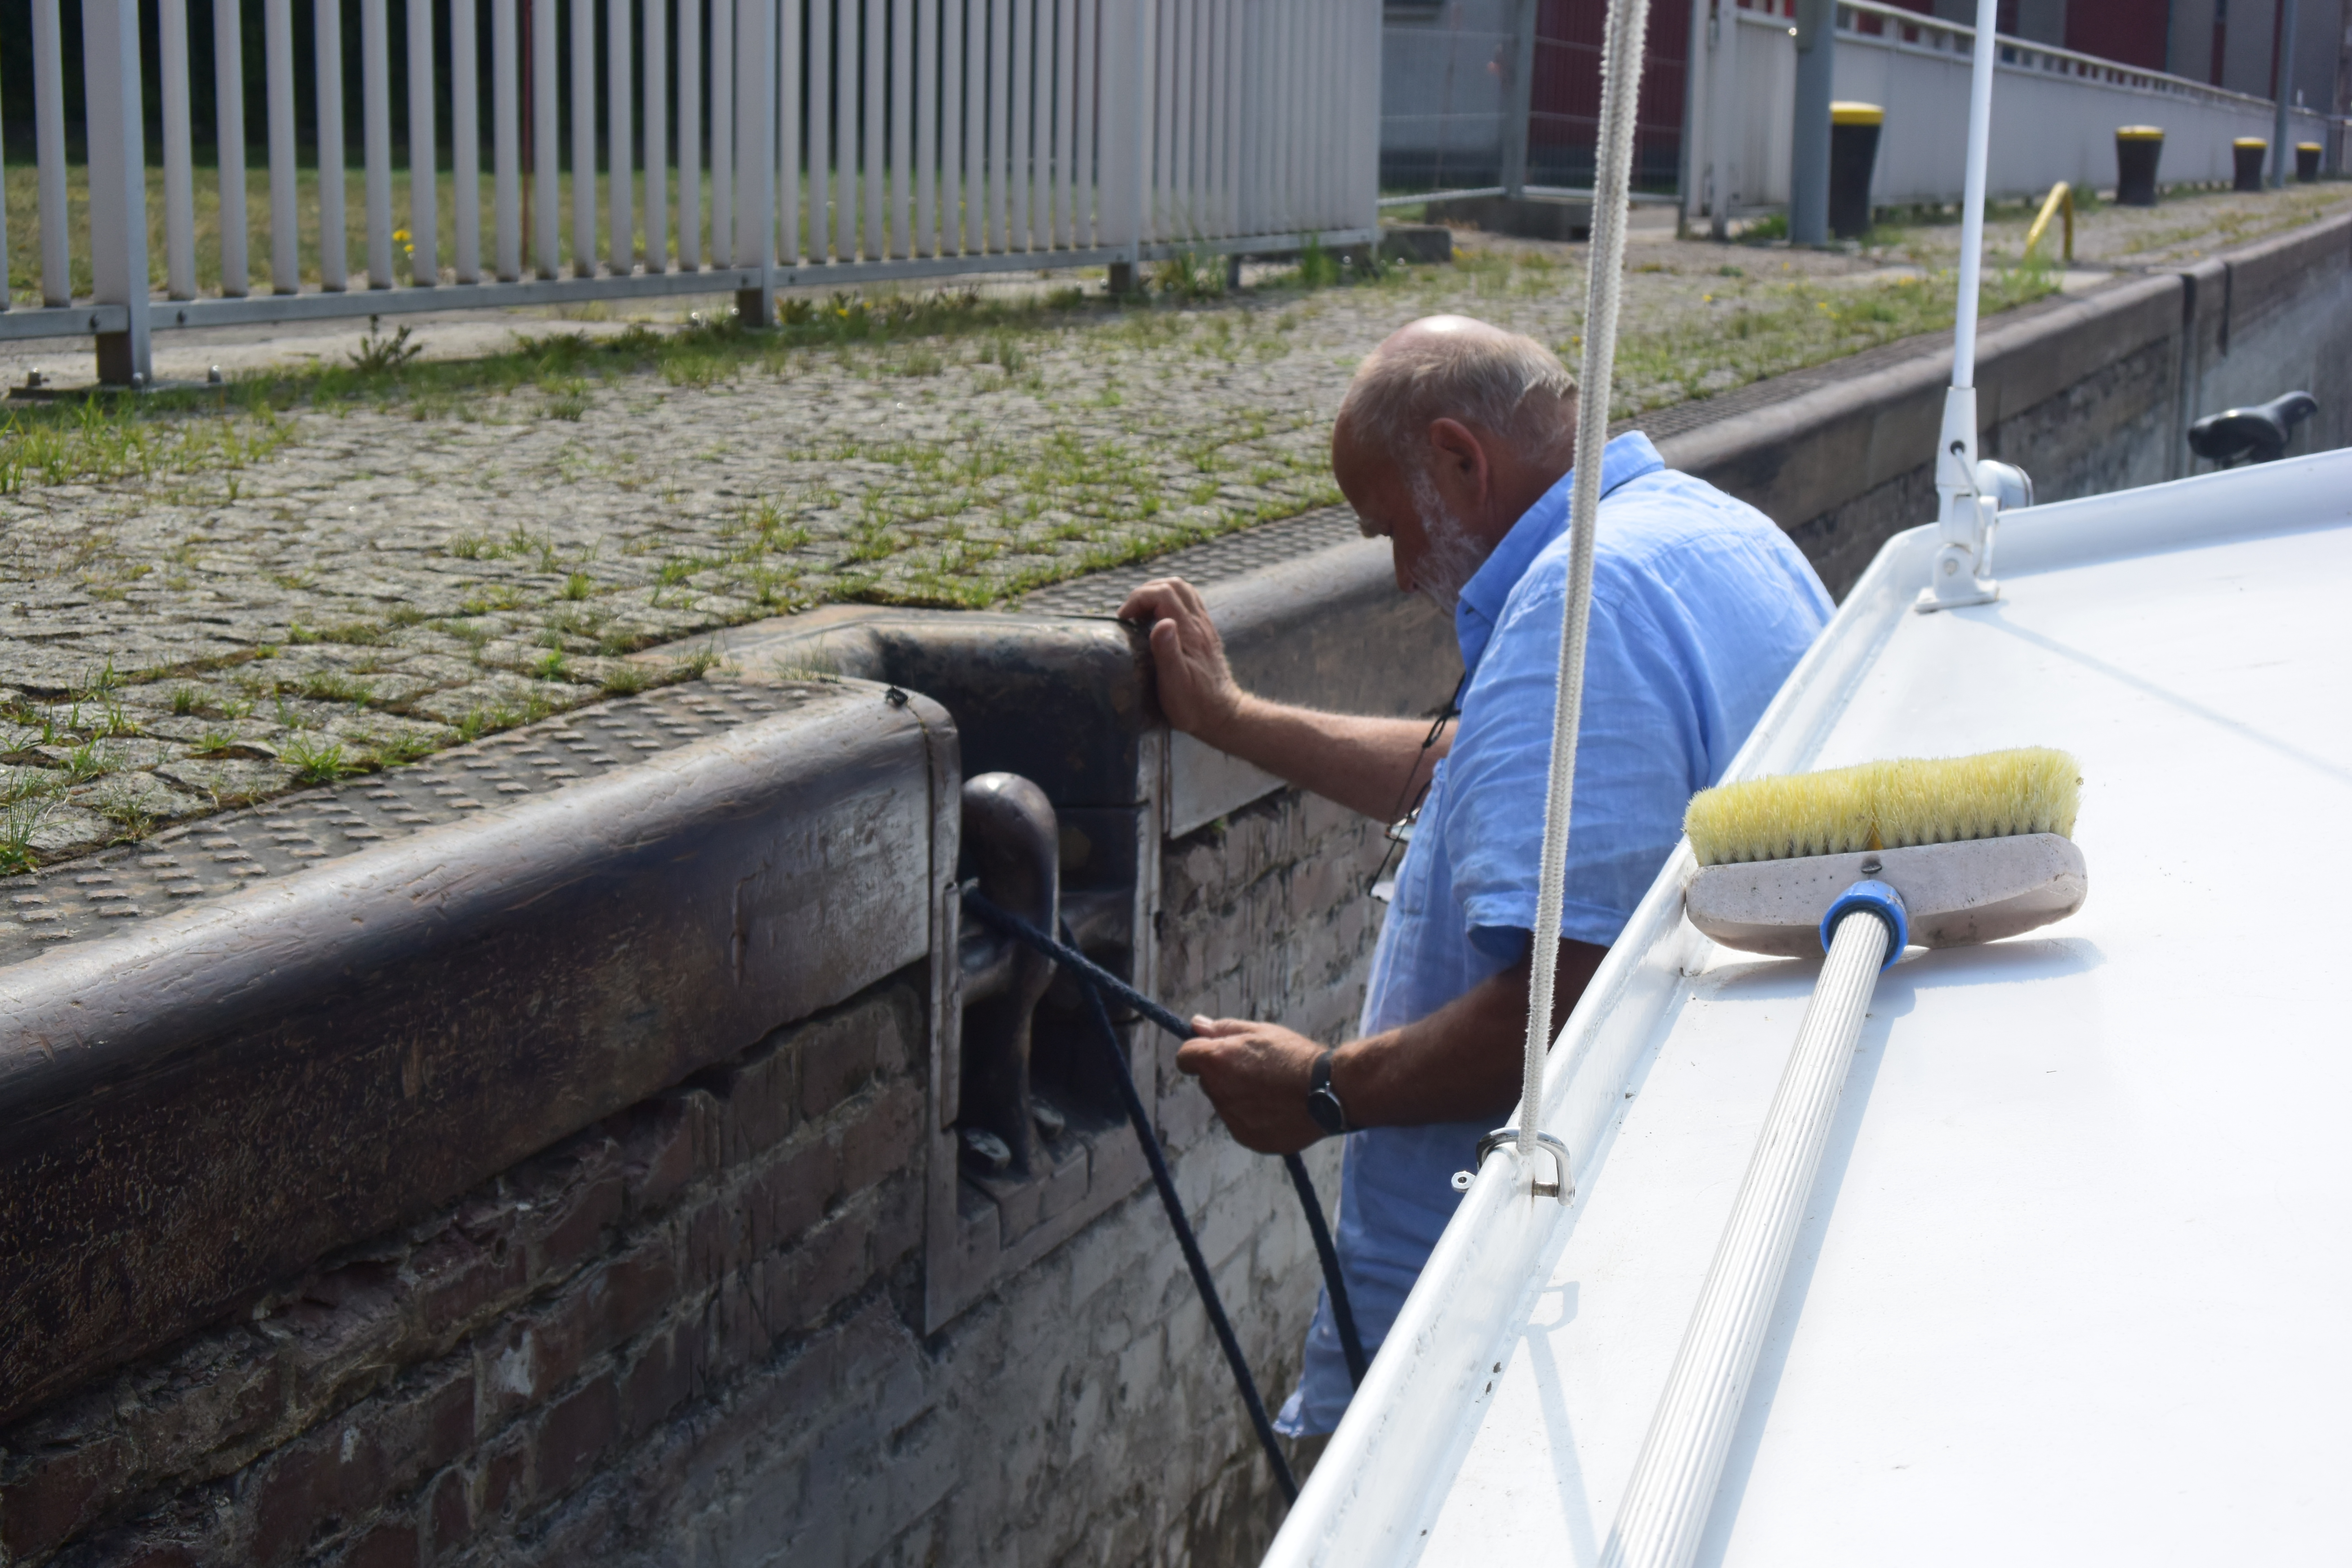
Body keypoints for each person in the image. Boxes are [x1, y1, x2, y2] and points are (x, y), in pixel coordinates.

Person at [1116, 315, 1833, 1438]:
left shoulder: (1575, 614)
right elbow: (1489, 768)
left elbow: (1573, 994)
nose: (1404, 573)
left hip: (1510, 1342)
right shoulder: (1708, 535)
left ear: (1460, 458)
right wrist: (1233, 719)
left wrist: (1320, 1087)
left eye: (1392, 528)